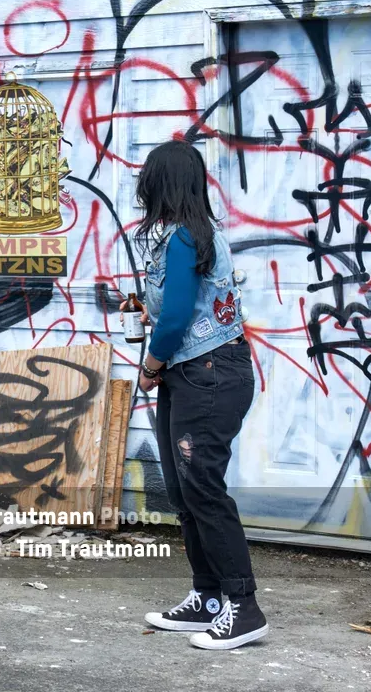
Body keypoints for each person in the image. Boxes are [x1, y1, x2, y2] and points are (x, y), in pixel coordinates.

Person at [120, 140, 268, 650]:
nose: (143, 188)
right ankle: (207, 597)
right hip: (194, 374)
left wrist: (149, 367)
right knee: (184, 493)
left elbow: (180, 318)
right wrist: (153, 316)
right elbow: (182, 306)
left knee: (202, 488)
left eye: (148, 179)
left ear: (161, 183)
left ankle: (244, 606)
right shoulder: (189, 234)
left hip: (208, 375)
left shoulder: (184, 237)